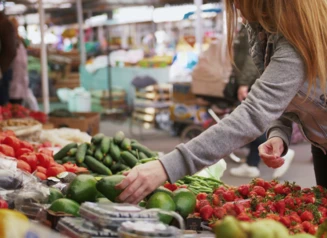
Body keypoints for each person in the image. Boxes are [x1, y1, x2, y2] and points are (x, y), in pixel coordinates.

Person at [116, 0, 327, 204]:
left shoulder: (298, 42)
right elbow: (285, 95)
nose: (235, 5)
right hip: (320, 144)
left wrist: (166, 167)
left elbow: (253, 114)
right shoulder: (269, 32)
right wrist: (279, 133)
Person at [229, 25, 295, 178]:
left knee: (251, 122)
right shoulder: (246, 27)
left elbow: (251, 57)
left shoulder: (254, 27)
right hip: (252, 81)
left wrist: (244, 82)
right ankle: (252, 163)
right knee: (253, 122)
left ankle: (277, 150)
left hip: (253, 82)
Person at [8, 17, 39, 110]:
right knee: (13, 102)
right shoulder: (8, 40)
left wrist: (33, 51)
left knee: (20, 103)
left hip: (21, 76)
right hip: (12, 76)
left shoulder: (20, 40)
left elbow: (27, 49)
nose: (16, 28)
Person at [0, 11, 17, 105]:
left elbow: (11, 51)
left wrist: (1, 70)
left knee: (2, 105)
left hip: (2, 73)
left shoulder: (4, 24)